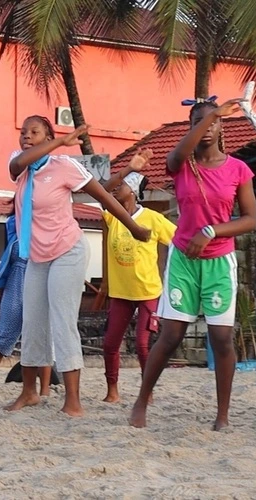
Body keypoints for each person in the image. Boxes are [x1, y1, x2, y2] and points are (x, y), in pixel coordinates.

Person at [5, 116, 151, 417]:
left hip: (67, 251)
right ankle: (29, 392)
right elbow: (18, 164)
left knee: (62, 320)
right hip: (36, 254)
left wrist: (134, 227)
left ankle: (73, 400)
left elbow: (103, 195)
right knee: (32, 321)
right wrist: (59, 141)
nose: (26, 137)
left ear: (47, 137)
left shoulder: (64, 166)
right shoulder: (19, 165)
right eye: (23, 133)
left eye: (35, 133)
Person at [128, 97, 256, 430]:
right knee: (170, 336)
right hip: (183, 259)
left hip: (219, 261)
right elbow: (174, 156)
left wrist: (212, 230)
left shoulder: (237, 169)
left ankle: (223, 415)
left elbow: (250, 219)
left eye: (213, 121)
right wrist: (210, 113)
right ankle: (141, 401)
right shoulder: (182, 163)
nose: (207, 127)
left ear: (221, 127)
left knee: (222, 339)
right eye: (199, 121)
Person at [100, 151, 176, 403]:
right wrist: (126, 170)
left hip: (147, 291)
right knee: (111, 343)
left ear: (132, 191)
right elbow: (100, 192)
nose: (116, 190)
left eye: (121, 186)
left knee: (143, 345)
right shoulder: (113, 216)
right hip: (121, 292)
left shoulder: (153, 219)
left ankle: (147, 391)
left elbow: (178, 242)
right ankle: (112, 390)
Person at [0, 209, 52, 395]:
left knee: (41, 338)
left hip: (41, 281)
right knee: (4, 336)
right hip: (15, 281)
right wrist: (0, 287)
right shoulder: (14, 223)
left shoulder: (52, 224)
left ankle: (44, 390)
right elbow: (8, 257)